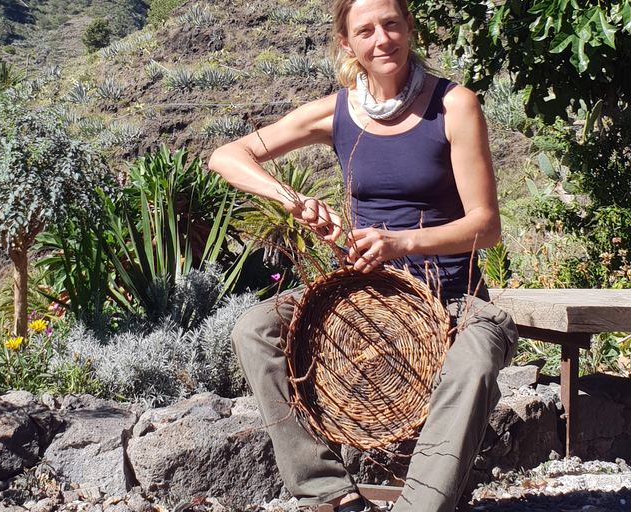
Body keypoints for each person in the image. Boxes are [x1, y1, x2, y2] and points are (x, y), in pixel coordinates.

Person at [207, 1, 519, 511]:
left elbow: (486, 227)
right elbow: (227, 156)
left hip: (451, 299)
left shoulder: (454, 104)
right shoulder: (336, 112)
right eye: (366, 31)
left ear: (409, 28)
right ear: (348, 44)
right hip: (359, 294)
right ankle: (328, 492)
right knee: (254, 329)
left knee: (479, 359)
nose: (383, 40)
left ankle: (421, 505)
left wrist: (401, 243)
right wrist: (295, 201)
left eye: (392, 24)